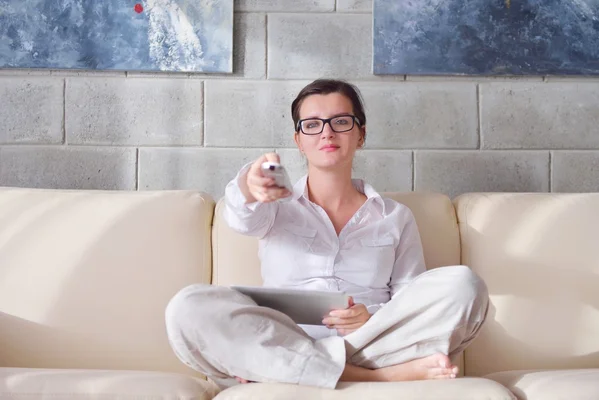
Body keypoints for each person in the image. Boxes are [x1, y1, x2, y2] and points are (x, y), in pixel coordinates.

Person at [165, 79, 489, 390]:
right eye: (312, 124)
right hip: (284, 337)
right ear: (299, 141)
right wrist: (250, 182)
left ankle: (283, 370)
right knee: (187, 306)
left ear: (361, 134)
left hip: (371, 343)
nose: (327, 133)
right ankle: (377, 378)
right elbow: (241, 215)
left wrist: (370, 317)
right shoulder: (275, 204)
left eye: (341, 122)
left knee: (464, 285)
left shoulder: (395, 216)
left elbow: (409, 297)